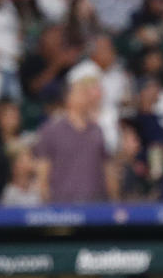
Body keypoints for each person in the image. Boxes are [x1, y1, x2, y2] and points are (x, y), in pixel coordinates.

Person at [32, 61, 115, 203]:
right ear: (68, 97)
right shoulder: (51, 130)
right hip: (62, 208)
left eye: (86, 93)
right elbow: (42, 173)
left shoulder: (97, 130)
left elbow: (107, 169)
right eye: (81, 92)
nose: (86, 96)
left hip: (96, 207)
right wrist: (46, 202)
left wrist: (114, 201)